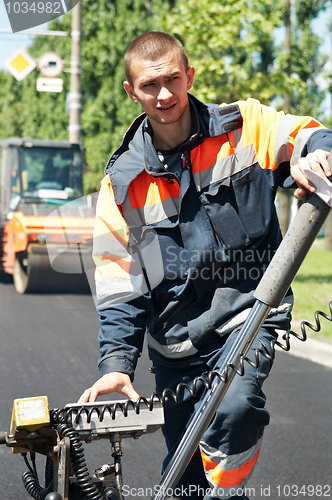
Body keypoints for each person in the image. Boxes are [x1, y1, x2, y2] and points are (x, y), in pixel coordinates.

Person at [79, 31, 332, 499]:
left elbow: (302, 134)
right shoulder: (120, 186)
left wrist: (319, 151)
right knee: (183, 475)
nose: (164, 95)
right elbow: (119, 283)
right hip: (175, 345)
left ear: (189, 76)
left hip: (246, 317)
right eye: (150, 85)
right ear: (131, 92)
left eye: (173, 79)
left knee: (233, 409)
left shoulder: (246, 125)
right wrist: (117, 363)